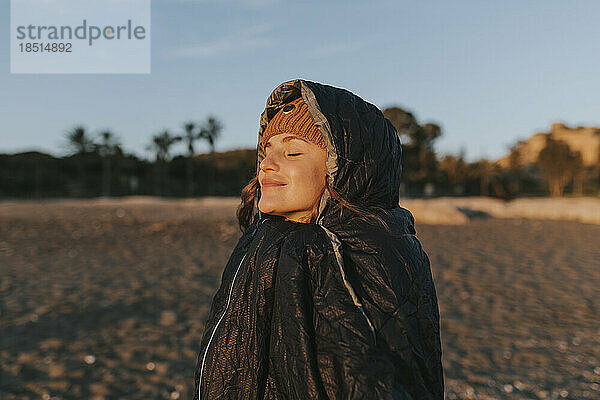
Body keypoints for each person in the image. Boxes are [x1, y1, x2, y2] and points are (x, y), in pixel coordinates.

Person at [193, 79, 444, 399]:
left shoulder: (341, 255)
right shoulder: (268, 239)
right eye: (266, 150)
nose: (266, 165)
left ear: (345, 168)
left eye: (293, 151)